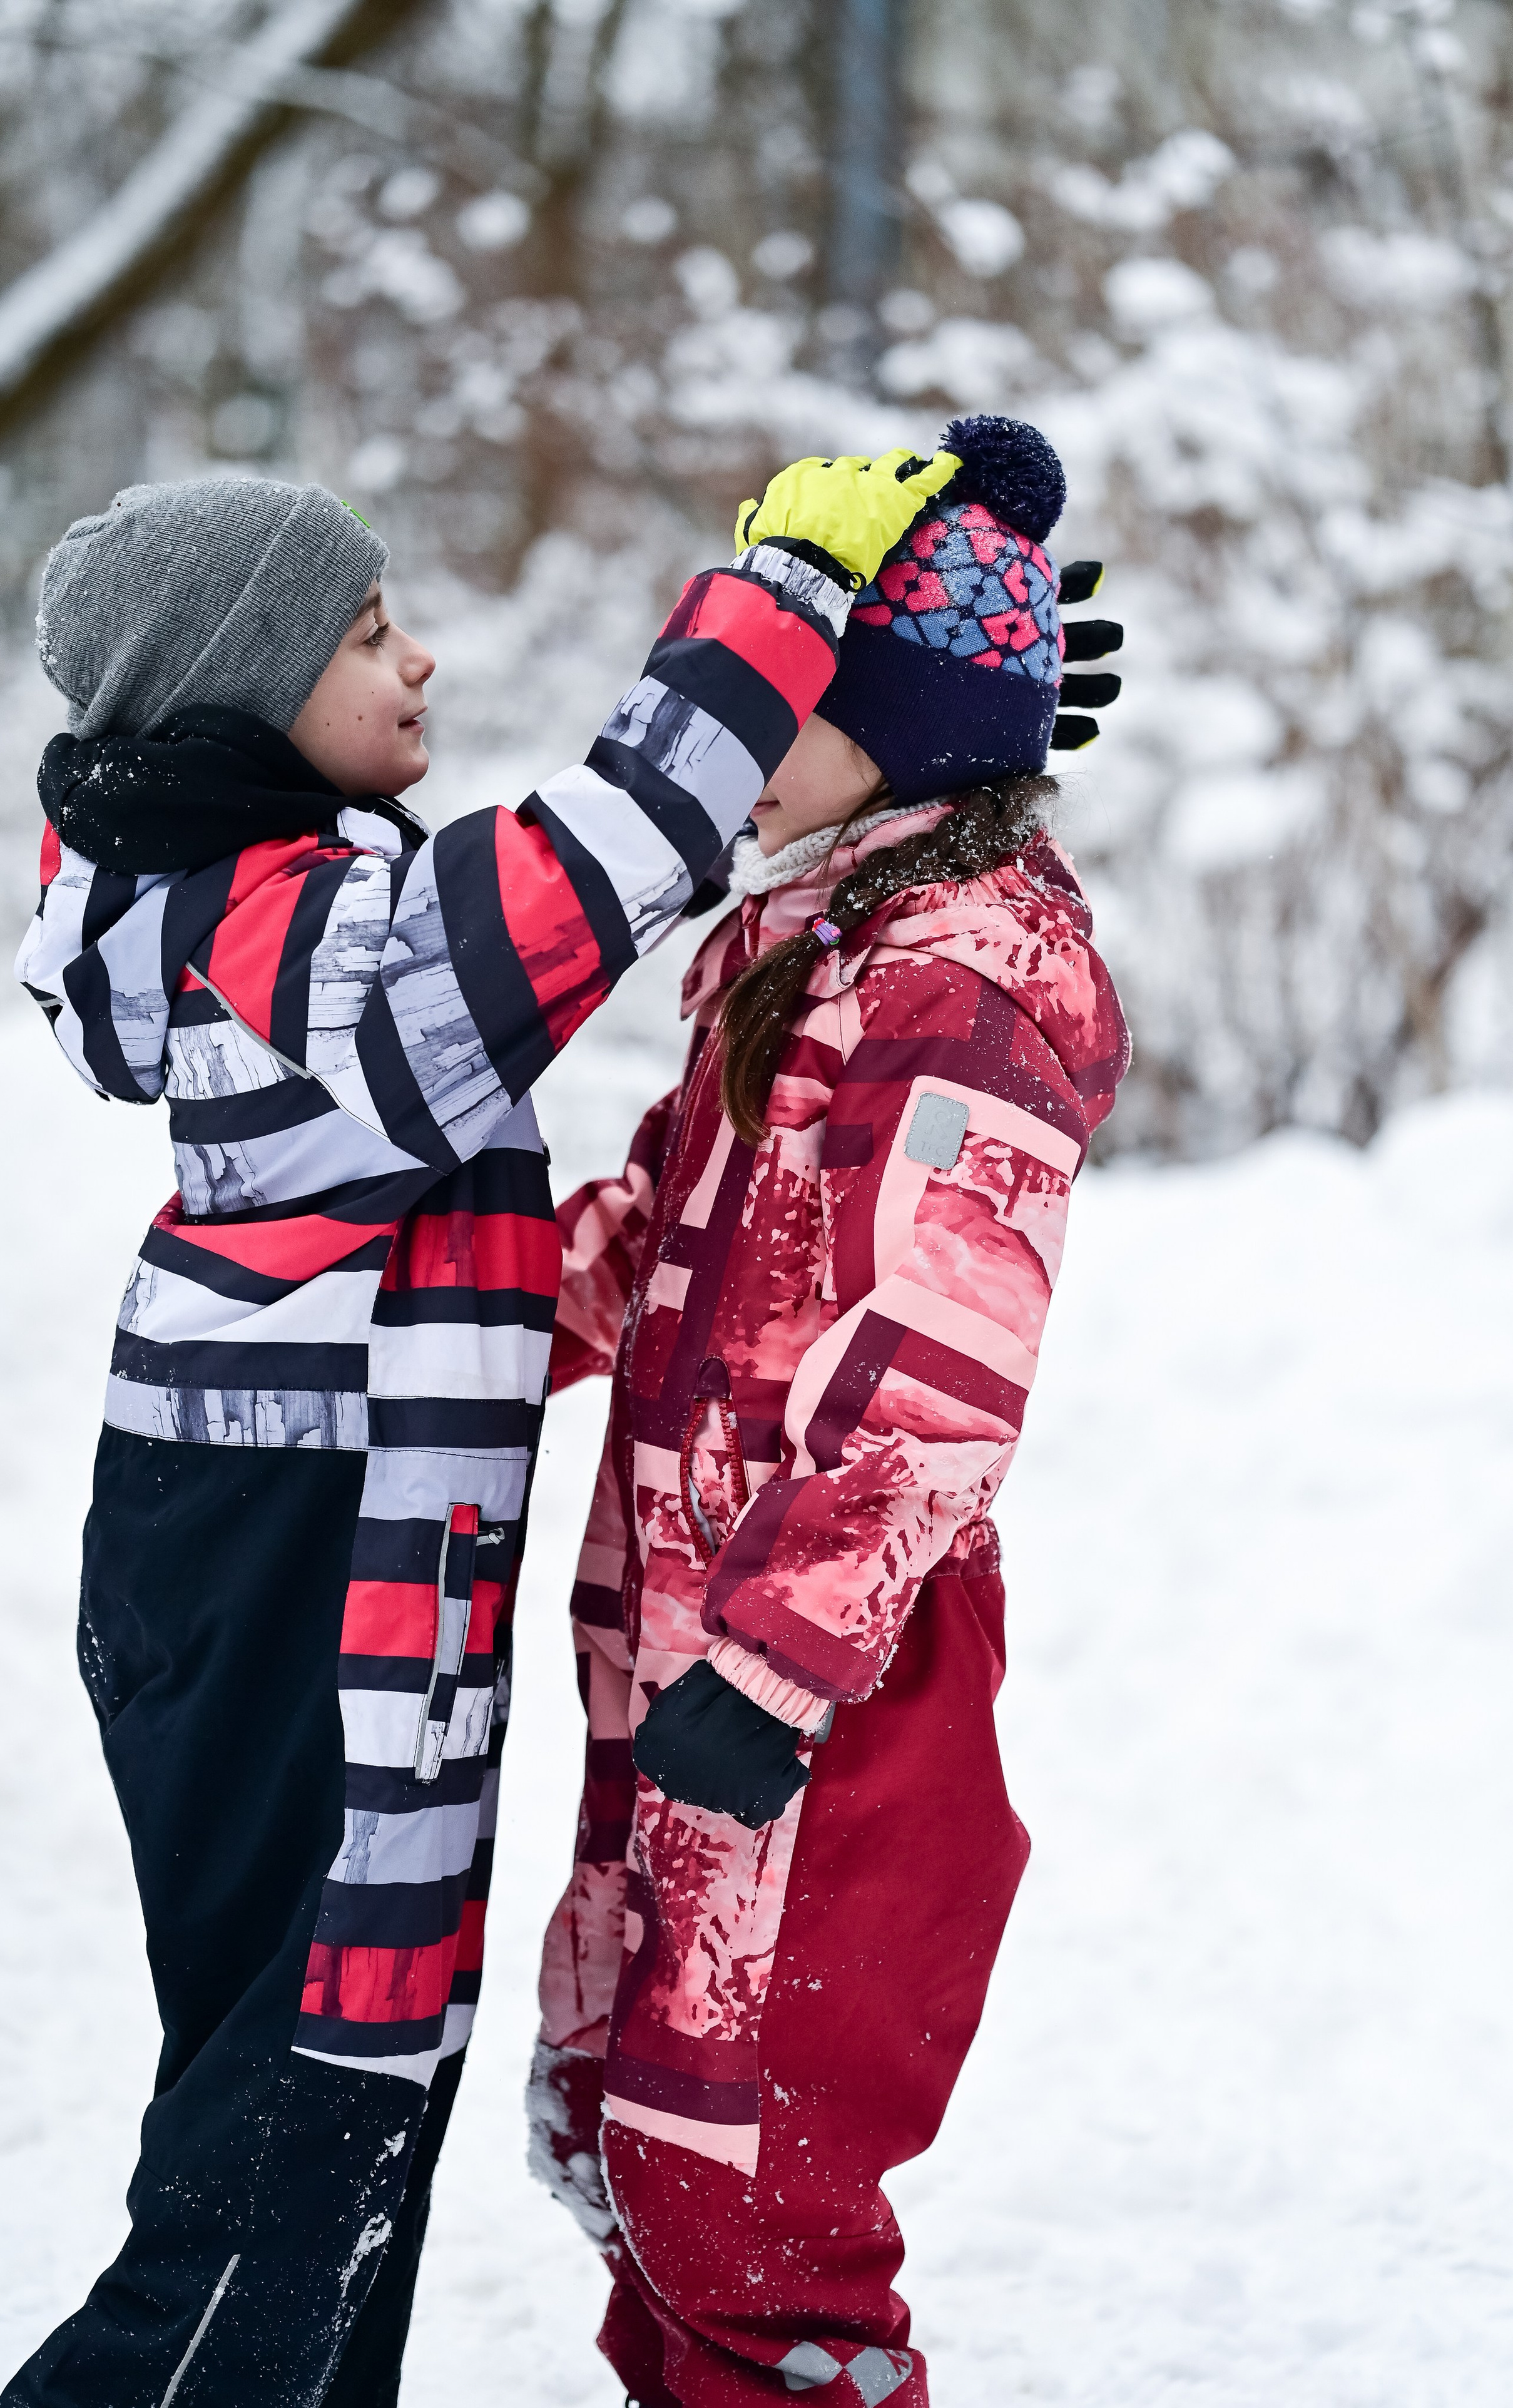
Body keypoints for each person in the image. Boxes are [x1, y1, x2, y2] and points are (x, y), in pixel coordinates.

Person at [4, 455, 960, 2406]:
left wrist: (941, 751)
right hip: (305, 1553)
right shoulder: (264, 930)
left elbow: (472, 1230)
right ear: (237, 694)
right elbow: (555, 897)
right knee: (305, 2111)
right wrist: (774, 606)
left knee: (345, 2087)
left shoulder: (232, 907)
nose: (424, 659)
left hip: (280, 1534)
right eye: (368, 637)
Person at [529, 417, 1131, 2407]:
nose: (732, 736)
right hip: (710, 1641)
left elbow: (945, 1354)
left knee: (755, 2194)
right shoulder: (805, 933)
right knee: (657, 2141)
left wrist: (782, 1668)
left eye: (784, 694)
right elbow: (660, 1224)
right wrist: (461, 1311)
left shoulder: (969, 972)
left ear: (901, 718)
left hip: (830, 1688)